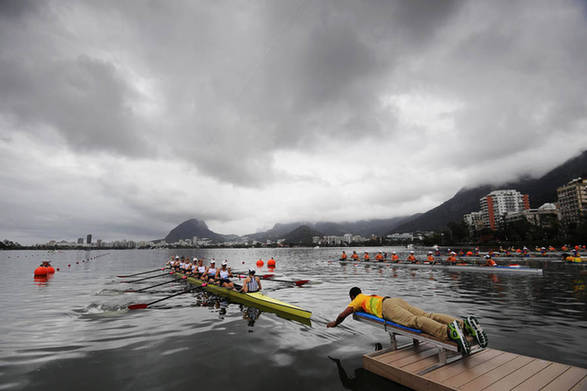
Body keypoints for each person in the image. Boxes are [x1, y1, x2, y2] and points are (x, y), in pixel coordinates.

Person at [326, 287, 488, 354]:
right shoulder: (368, 296)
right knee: (428, 315)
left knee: (415, 321)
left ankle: (448, 332)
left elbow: (344, 313)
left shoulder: (356, 300)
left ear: (352, 296)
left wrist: (335, 323)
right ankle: (463, 325)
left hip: (387, 308)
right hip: (394, 300)